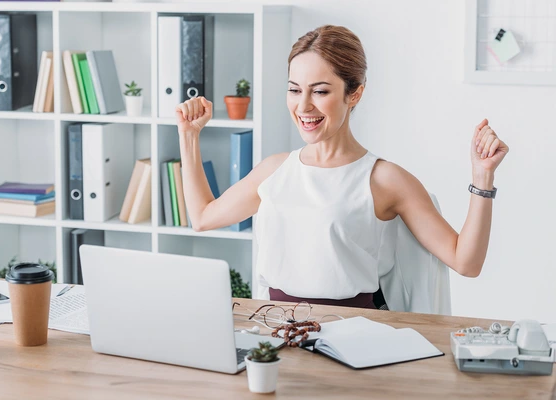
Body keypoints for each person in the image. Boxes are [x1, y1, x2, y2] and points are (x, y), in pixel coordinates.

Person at [174, 25, 509, 310]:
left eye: (320, 91)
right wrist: (189, 137)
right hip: (274, 332)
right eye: (294, 90)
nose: (303, 106)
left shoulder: (384, 179)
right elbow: (203, 217)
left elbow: (466, 262)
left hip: (353, 338)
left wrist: (483, 178)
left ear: (355, 94)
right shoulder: (274, 171)